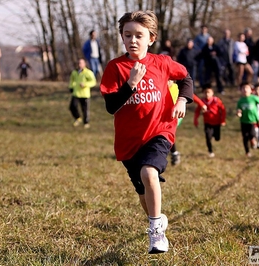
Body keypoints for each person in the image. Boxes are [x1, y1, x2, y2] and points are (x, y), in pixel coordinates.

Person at [99, 10, 194, 254]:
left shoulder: (162, 63)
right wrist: (130, 84)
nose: (132, 40)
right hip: (129, 142)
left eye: (138, 36)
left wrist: (183, 100)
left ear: (151, 38)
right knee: (142, 189)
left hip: (159, 132)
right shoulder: (115, 68)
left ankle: (156, 233)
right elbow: (111, 107)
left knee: (149, 172)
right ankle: (157, 218)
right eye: (127, 35)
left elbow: (186, 78)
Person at [194, 83, 226, 157]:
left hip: (217, 122)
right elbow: (197, 112)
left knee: (217, 138)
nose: (207, 94)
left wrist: (223, 120)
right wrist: (196, 120)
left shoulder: (216, 100)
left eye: (208, 92)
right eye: (205, 92)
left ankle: (215, 136)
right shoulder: (201, 102)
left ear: (212, 92)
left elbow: (223, 110)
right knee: (208, 137)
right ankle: (210, 151)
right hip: (207, 123)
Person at [236, 82, 259, 157]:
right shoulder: (240, 101)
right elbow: (239, 110)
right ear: (241, 90)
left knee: (252, 134)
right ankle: (247, 152)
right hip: (243, 121)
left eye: (247, 88)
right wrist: (239, 113)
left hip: (253, 120)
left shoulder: (254, 98)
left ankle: (253, 140)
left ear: (250, 90)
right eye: (243, 88)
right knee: (245, 137)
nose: (245, 90)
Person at [69, 58, 96, 129]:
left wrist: (85, 84)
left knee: (85, 110)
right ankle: (77, 118)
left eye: (81, 63)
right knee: (72, 106)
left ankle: (86, 123)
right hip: (76, 93)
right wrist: (71, 87)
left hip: (85, 94)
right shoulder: (74, 72)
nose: (79, 64)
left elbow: (93, 82)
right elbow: (71, 81)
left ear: (84, 64)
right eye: (78, 63)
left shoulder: (88, 73)